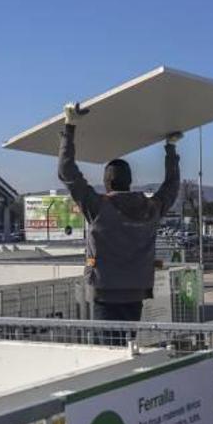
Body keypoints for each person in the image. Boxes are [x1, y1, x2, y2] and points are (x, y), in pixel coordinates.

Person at [58, 102, 180, 326]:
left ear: (106, 183)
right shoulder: (150, 209)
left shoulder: (98, 207)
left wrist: (70, 125)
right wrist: (170, 148)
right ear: (130, 182)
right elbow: (171, 187)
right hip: (137, 292)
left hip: (105, 293)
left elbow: (67, 172)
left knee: (108, 351)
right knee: (127, 347)